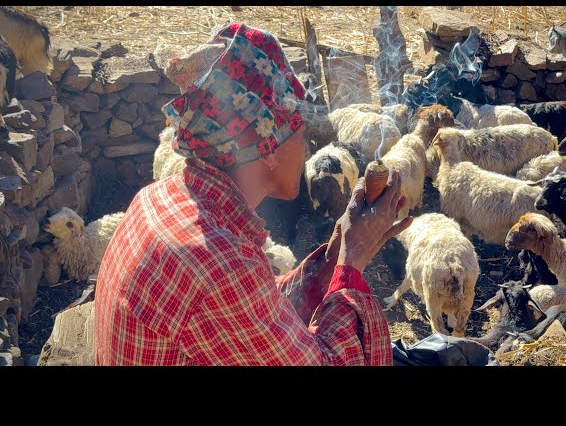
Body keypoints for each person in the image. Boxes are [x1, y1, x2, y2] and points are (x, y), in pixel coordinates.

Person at [94, 23, 413, 365]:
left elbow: (257, 314)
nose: (305, 148)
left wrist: (337, 250)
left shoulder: (160, 196)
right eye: (300, 133)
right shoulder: (221, 264)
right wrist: (354, 262)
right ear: (268, 146)